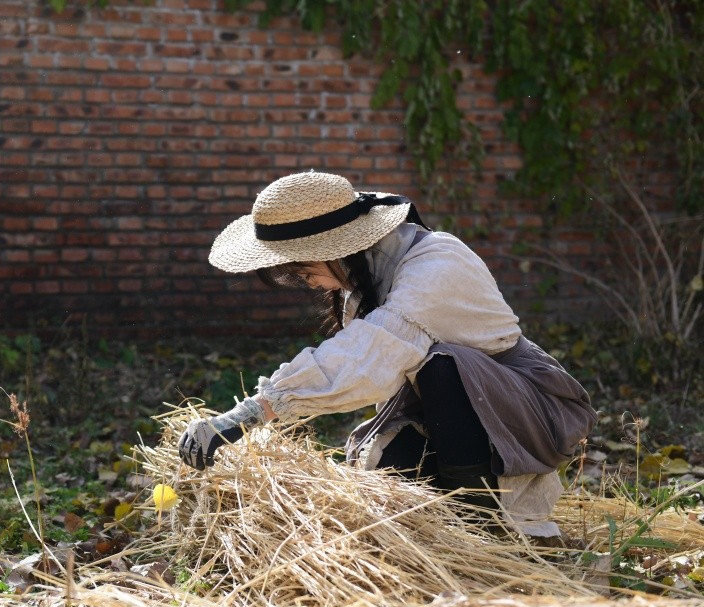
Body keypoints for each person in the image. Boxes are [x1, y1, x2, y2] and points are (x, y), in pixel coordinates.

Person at [177, 171, 597, 537]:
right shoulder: (368, 279)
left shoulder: (435, 265)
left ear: (332, 249)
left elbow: (368, 355)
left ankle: (482, 529)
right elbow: (376, 375)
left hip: (522, 410)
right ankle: (452, 524)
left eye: (304, 271)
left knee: (441, 366)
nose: (307, 283)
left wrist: (251, 414)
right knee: (389, 486)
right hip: (447, 413)